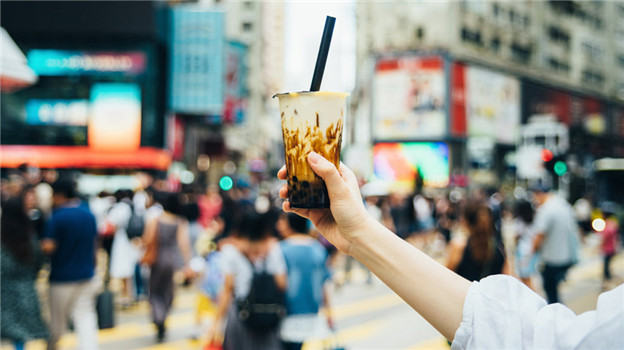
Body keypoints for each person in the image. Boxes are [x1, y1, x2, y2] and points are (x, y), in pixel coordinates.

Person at [277, 152, 623, 349]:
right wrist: (359, 236)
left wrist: (360, 237)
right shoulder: (496, 242)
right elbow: (524, 333)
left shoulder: (462, 242)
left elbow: (521, 334)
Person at [206, 208, 287, 350]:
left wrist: (216, 322)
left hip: (241, 313)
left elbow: (228, 289)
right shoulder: (272, 248)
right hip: (268, 312)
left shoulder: (230, 250)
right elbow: (282, 283)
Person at [41, 179, 100, 350]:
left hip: (61, 278)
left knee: (57, 322)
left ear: (59, 195)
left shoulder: (57, 217)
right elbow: (95, 244)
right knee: (85, 317)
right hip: (87, 274)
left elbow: (49, 246)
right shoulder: (88, 213)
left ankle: (52, 347)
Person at [142, 192, 194, 342]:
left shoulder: (156, 220)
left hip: (156, 259)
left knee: (154, 291)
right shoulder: (179, 221)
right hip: (172, 261)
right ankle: (164, 313)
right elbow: (184, 244)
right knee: (167, 291)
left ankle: (158, 316)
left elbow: (148, 239)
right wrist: (187, 264)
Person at [277, 213, 333, 350]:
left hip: (286, 311)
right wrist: (329, 312)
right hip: (311, 310)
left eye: (282, 221)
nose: (278, 225)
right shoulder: (318, 249)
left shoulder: (280, 249)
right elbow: (323, 284)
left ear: (291, 223)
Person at [1, 193, 49, 350]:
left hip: (3, 289)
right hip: (25, 289)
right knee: (20, 333)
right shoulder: (29, 236)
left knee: (7, 328)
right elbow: (38, 261)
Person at [531, 185, 581, 304]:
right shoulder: (563, 205)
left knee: (550, 291)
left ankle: (556, 315)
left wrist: (530, 254)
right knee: (554, 289)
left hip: (552, 258)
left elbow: (539, 235)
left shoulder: (545, 210)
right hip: (566, 256)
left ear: (539, 193)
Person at [446, 199, 509, 282]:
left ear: (464, 221)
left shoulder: (458, 245)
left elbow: (446, 277)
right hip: (489, 294)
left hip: (464, 294)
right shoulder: (498, 248)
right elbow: (507, 278)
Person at [107, 190, 139, 307]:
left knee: (123, 269)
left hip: (122, 240)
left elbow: (111, 225)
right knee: (129, 269)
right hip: (131, 240)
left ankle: (126, 297)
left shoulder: (120, 207)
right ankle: (131, 295)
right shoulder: (133, 205)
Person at [513, 199, 538, 289]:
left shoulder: (519, 221)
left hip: (522, 251)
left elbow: (515, 236)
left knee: (525, 278)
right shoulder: (535, 219)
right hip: (531, 250)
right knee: (528, 278)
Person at [599, 204, 620, 284]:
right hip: (612, 248)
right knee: (607, 266)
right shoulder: (614, 223)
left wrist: (600, 246)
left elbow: (605, 236)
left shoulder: (607, 224)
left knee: (606, 268)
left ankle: (606, 283)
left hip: (607, 249)